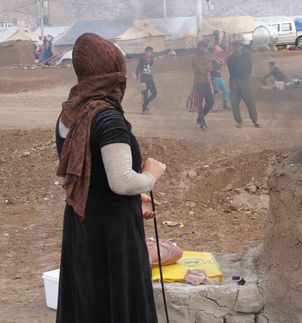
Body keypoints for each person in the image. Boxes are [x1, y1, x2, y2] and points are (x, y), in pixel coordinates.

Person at [55, 33, 165, 323]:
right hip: (111, 235)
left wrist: (134, 201)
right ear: (113, 71)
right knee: (117, 307)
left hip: (82, 228)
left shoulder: (70, 113)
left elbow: (93, 178)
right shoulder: (108, 118)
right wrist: (150, 176)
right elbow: (121, 181)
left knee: (89, 305)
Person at [226, 41, 262, 128]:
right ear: (233, 48)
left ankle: (255, 121)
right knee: (234, 103)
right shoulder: (230, 58)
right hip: (234, 81)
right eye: (235, 46)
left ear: (241, 47)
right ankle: (239, 122)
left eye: (238, 46)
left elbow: (249, 68)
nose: (237, 48)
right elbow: (231, 70)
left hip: (245, 81)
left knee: (250, 102)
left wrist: (246, 77)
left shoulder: (246, 56)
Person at [192, 40, 214, 130]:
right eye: (201, 46)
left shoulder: (207, 57)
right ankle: (202, 123)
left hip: (207, 82)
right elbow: (199, 70)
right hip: (199, 83)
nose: (203, 48)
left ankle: (200, 118)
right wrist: (206, 69)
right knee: (199, 104)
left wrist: (205, 67)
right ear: (198, 48)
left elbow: (211, 68)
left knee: (210, 102)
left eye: (205, 47)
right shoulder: (194, 57)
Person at [211, 31, 230, 110]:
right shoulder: (214, 60)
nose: (222, 54)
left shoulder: (217, 59)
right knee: (213, 92)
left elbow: (216, 46)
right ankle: (212, 106)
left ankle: (223, 105)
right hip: (215, 78)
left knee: (225, 90)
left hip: (218, 77)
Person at [135, 46, 157, 113]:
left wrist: (150, 59)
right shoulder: (142, 59)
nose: (149, 53)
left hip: (150, 78)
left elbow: (150, 66)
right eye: (148, 52)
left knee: (154, 93)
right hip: (143, 79)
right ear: (145, 52)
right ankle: (144, 109)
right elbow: (138, 68)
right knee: (145, 94)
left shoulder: (152, 60)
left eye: (151, 52)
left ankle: (145, 104)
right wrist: (137, 79)